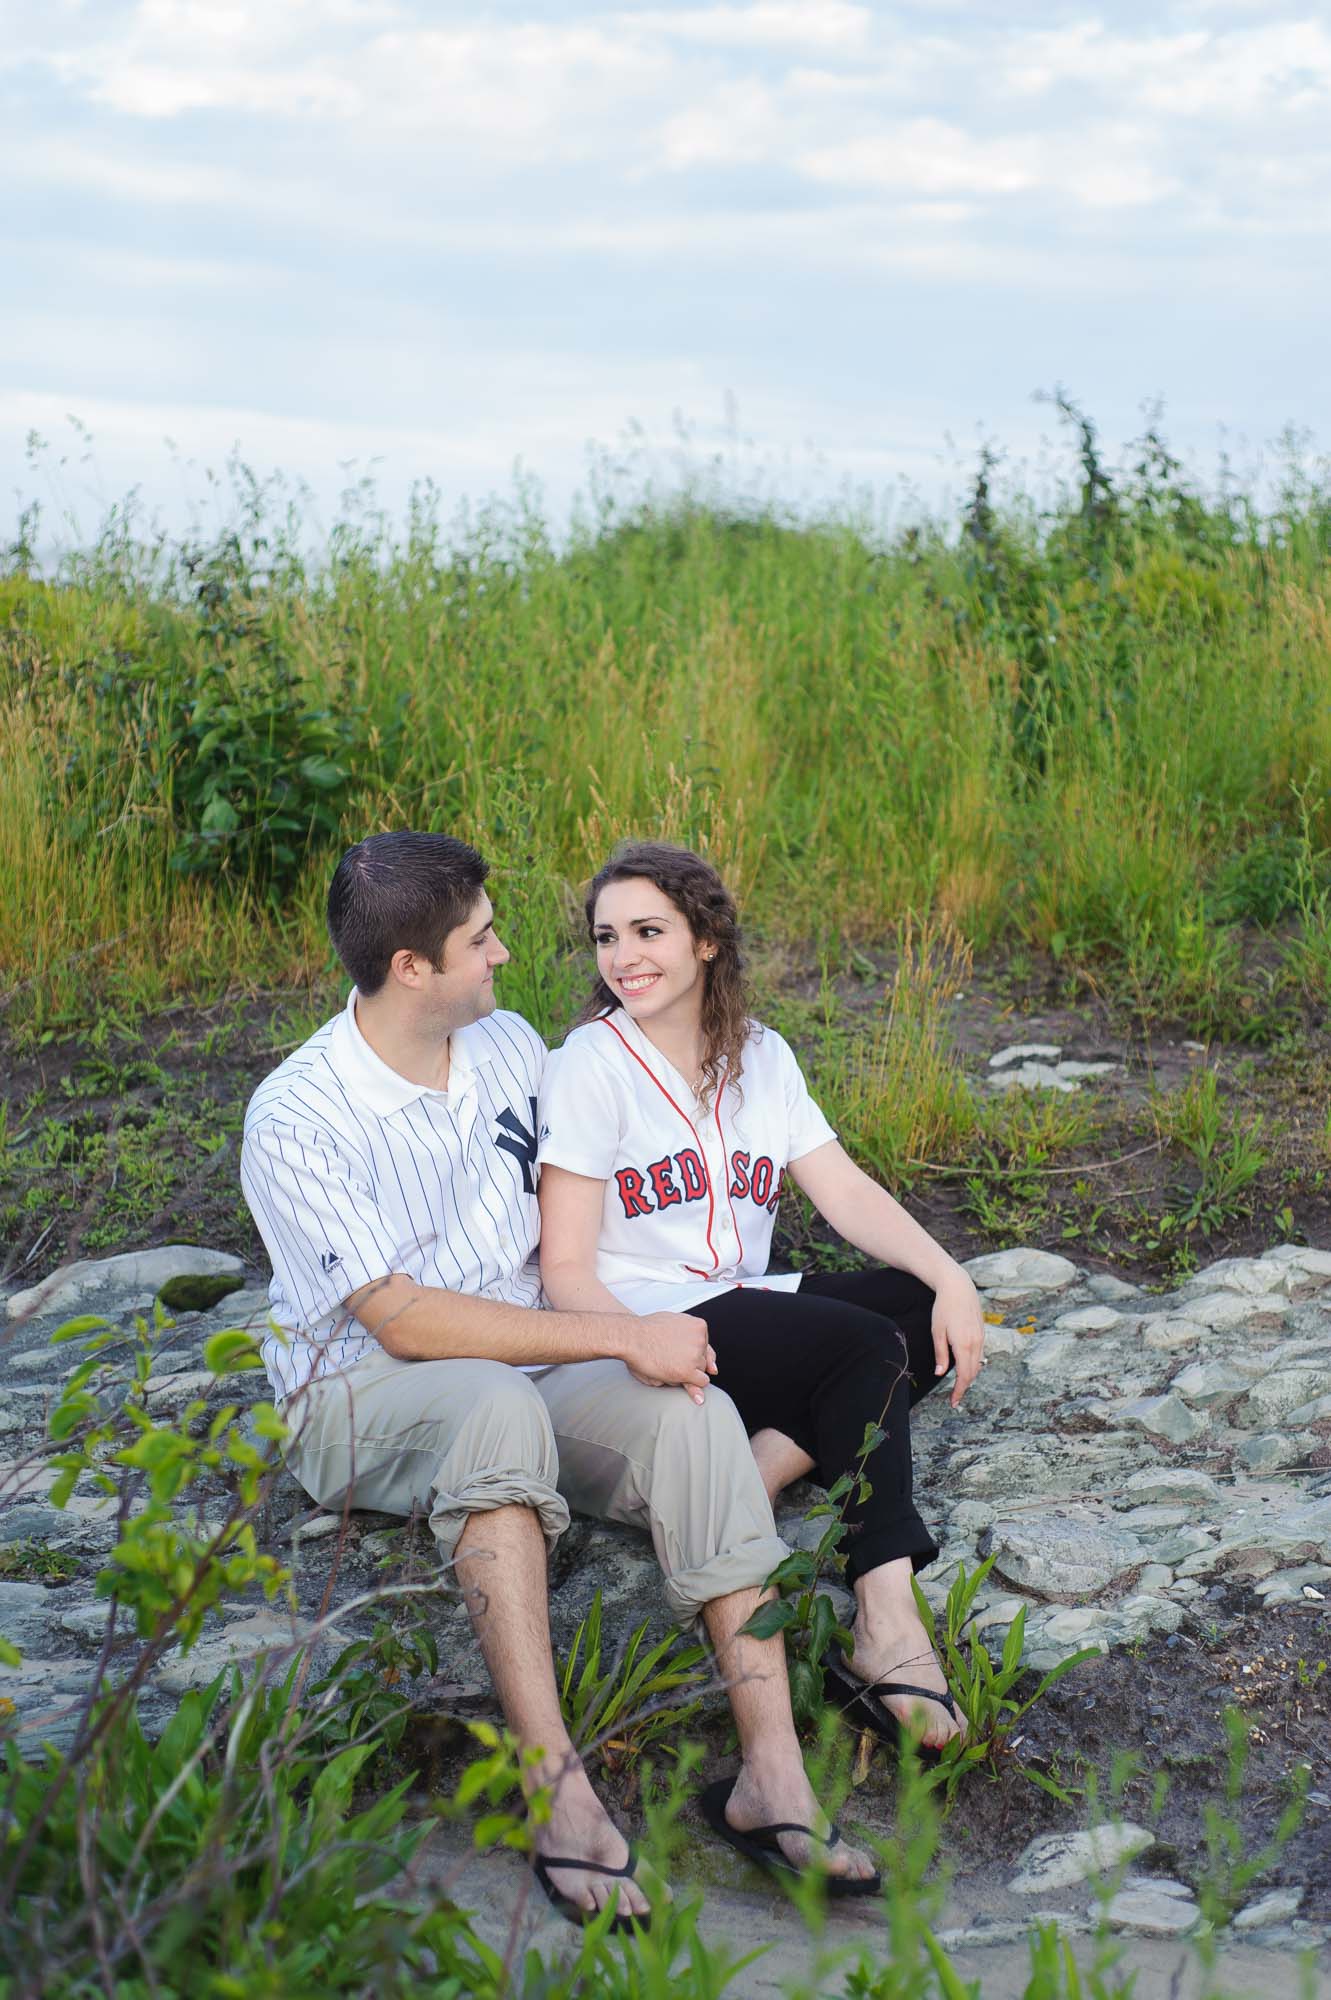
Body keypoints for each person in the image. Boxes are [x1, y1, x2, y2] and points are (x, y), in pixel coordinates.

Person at [240, 831, 879, 1930]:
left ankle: (771, 1773)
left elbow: (591, 1183)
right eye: (479, 938)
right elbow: (395, 1317)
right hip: (362, 1393)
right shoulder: (296, 1116)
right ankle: (555, 1789)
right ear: (410, 969)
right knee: (492, 1404)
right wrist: (614, 1334)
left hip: (533, 1355)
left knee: (693, 1417)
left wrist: (667, 1302)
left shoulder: (505, 1044)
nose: (503, 953)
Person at [537, 842, 987, 1752]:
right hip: (656, 1315)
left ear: (705, 939)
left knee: (911, 1310)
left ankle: (760, 1466)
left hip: (749, 1302)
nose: (624, 956)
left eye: (648, 931)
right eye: (606, 936)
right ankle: (885, 1613)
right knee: (865, 1347)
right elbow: (565, 1270)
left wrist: (952, 1276)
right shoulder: (590, 1063)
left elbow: (846, 1191)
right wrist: (645, 1340)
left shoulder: (762, 1055)